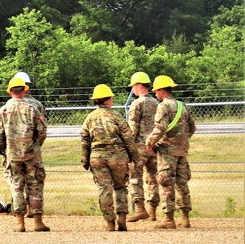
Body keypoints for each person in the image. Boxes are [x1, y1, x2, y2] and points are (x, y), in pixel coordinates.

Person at [80, 84, 139, 231]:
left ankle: (109, 223)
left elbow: (85, 140)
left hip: (97, 157)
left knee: (104, 189)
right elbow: (128, 138)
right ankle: (122, 217)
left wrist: (85, 160)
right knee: (120, 187)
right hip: (118, 157)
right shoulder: (117, 116)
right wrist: (135, 157)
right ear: (108, 100)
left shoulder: (90, 118)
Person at [0, 76, 49, 232]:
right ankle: (38, 222)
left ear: (10, 91)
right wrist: (36, 145)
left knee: (17, 187)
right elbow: (42, 131)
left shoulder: (3, 110)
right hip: (32, 155)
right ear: (25, 90)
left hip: (13, 155)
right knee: (35, 186)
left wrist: (4, 151)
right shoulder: (32, 109)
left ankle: (20, 223)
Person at [146, 75, 196, 230]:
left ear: (161, 90)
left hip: (167, 151)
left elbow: (160, 128)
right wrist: (182, 141)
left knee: (166, 183)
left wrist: (150, 142)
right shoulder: (182, 105)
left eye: (156, 91)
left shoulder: (163, 106)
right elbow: (192, 127)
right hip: (182, 151)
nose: (155, 94)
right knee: (182, 184)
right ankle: (185, 218)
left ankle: (169, 220)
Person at [126, 72, 158, 222]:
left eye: (133, 86)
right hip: (155, 147)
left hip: (139, 147)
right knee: (153, 178)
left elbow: (133, 128)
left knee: (135, 177)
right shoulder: (157, 103)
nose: (132, 89)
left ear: (139, 86)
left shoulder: (137, 104)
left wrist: (128, 147)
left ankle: (140, 209)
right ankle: (153, 211)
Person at [14, 71, 47, 218]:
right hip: (32, 149)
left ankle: (19, 213)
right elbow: (42, 129)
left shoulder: (9, 105)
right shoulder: (37, 104)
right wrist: (36, 144)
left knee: (17, 183)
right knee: (34, 182)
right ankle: (32, 212)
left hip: (14, 150)